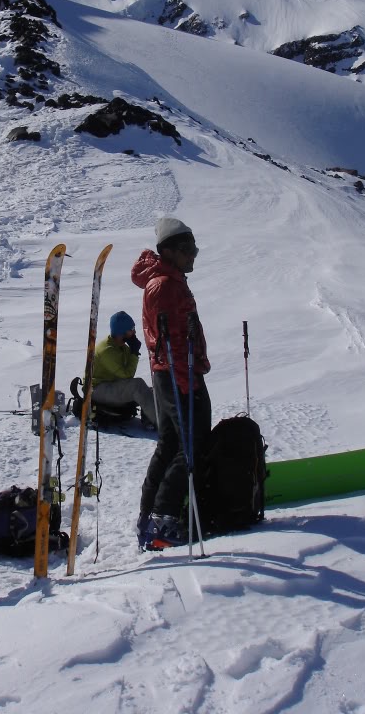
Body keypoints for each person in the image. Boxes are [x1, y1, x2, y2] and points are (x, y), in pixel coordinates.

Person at [131, 216, 211, 548]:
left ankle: (150, 518)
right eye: (188, 249)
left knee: (171, 443)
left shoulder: (168, 279)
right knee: (190, 443)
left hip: (172, 373)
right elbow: (170, 341)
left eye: (194, 247)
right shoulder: (164, 285)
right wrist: (187, 382)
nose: (194, 254)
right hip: (178, 374)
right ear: (170, 251)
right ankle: (162, 521)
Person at [91, 311, 157, 430]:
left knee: (151, 390)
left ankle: (151, 420)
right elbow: (127, 375)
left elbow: (126, 376)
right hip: (97, 389)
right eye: (131, 329)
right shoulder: (107, 350)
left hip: (110, 385)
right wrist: (134, 353)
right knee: (137, 386)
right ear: (122, 332)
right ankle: (163, 425)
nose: (134, 332)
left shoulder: (121, 346)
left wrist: (132, 352)